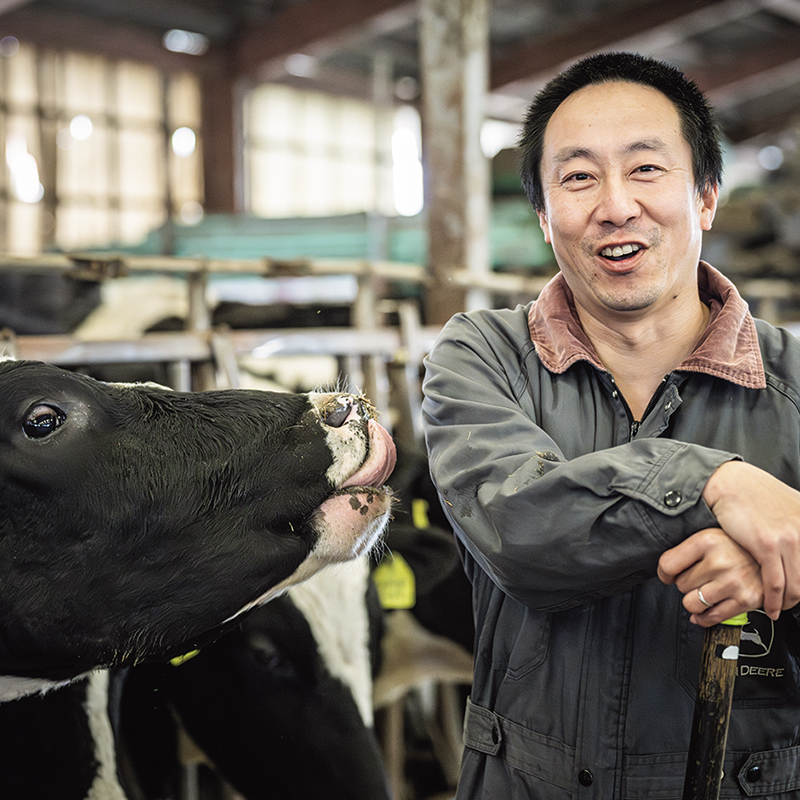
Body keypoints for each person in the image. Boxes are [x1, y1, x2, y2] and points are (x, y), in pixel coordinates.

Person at [421, 51, 800, 799]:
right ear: (542, 215)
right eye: (578, 177)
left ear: (706, 199)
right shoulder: (482, 357)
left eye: (647, 170)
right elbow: (517, 527)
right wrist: (714, 482)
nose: (615, 205)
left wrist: (787, 564)